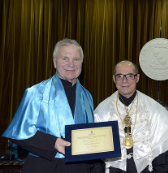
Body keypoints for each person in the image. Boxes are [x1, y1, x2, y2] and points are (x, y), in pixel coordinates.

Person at [2, 39, 105, 173]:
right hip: (45, 165)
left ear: (82, 63)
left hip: (81, 167)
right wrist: (54, 143)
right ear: (54, 62)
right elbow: (18, 134)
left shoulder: (87, 95)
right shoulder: (35, 92)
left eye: (76, 59)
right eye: (64, 58)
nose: (71, 64)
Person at [94, 60, 168, 173]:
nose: (124, 80)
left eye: (130, 75)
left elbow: (162, 154)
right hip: (114, 169)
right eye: (120, 76)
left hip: (145, 168)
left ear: (137, 78)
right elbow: (96, 157)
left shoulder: (154, 109)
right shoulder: (102, 111)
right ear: (114, 79)